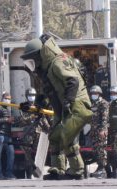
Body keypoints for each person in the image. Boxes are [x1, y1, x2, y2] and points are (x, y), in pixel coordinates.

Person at [20, 34, 93, 180]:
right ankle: (57, 169)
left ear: (39, 56)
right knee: (55, 137)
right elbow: (47, 93)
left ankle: (76, 170)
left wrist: (68, 101)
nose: (32, 64)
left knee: (62, 135)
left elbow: (72, 81)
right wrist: (34, 105)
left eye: (32, 60)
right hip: (62, 106)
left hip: (77, 105)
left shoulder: (57, 62)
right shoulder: (46, 71)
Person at [0, 92, 15, 180]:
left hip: (7, 135)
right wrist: (7, 120)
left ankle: (9, 173)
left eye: (9, 99)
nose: (8, 100)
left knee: (11, 153)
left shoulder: (8, 109)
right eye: (6, 98)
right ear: (2, 98)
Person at [88, 85, 109, 178]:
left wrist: (103, 129)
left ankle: (102, 169)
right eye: (92, 93)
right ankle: (100, 167)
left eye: (95, 93)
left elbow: (105, 118)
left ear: (99, 94)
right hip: (93, 130)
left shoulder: (103, 103)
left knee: (101, 149)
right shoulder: (91, 103)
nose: (94, 95)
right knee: (96, 149)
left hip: (100, 130)